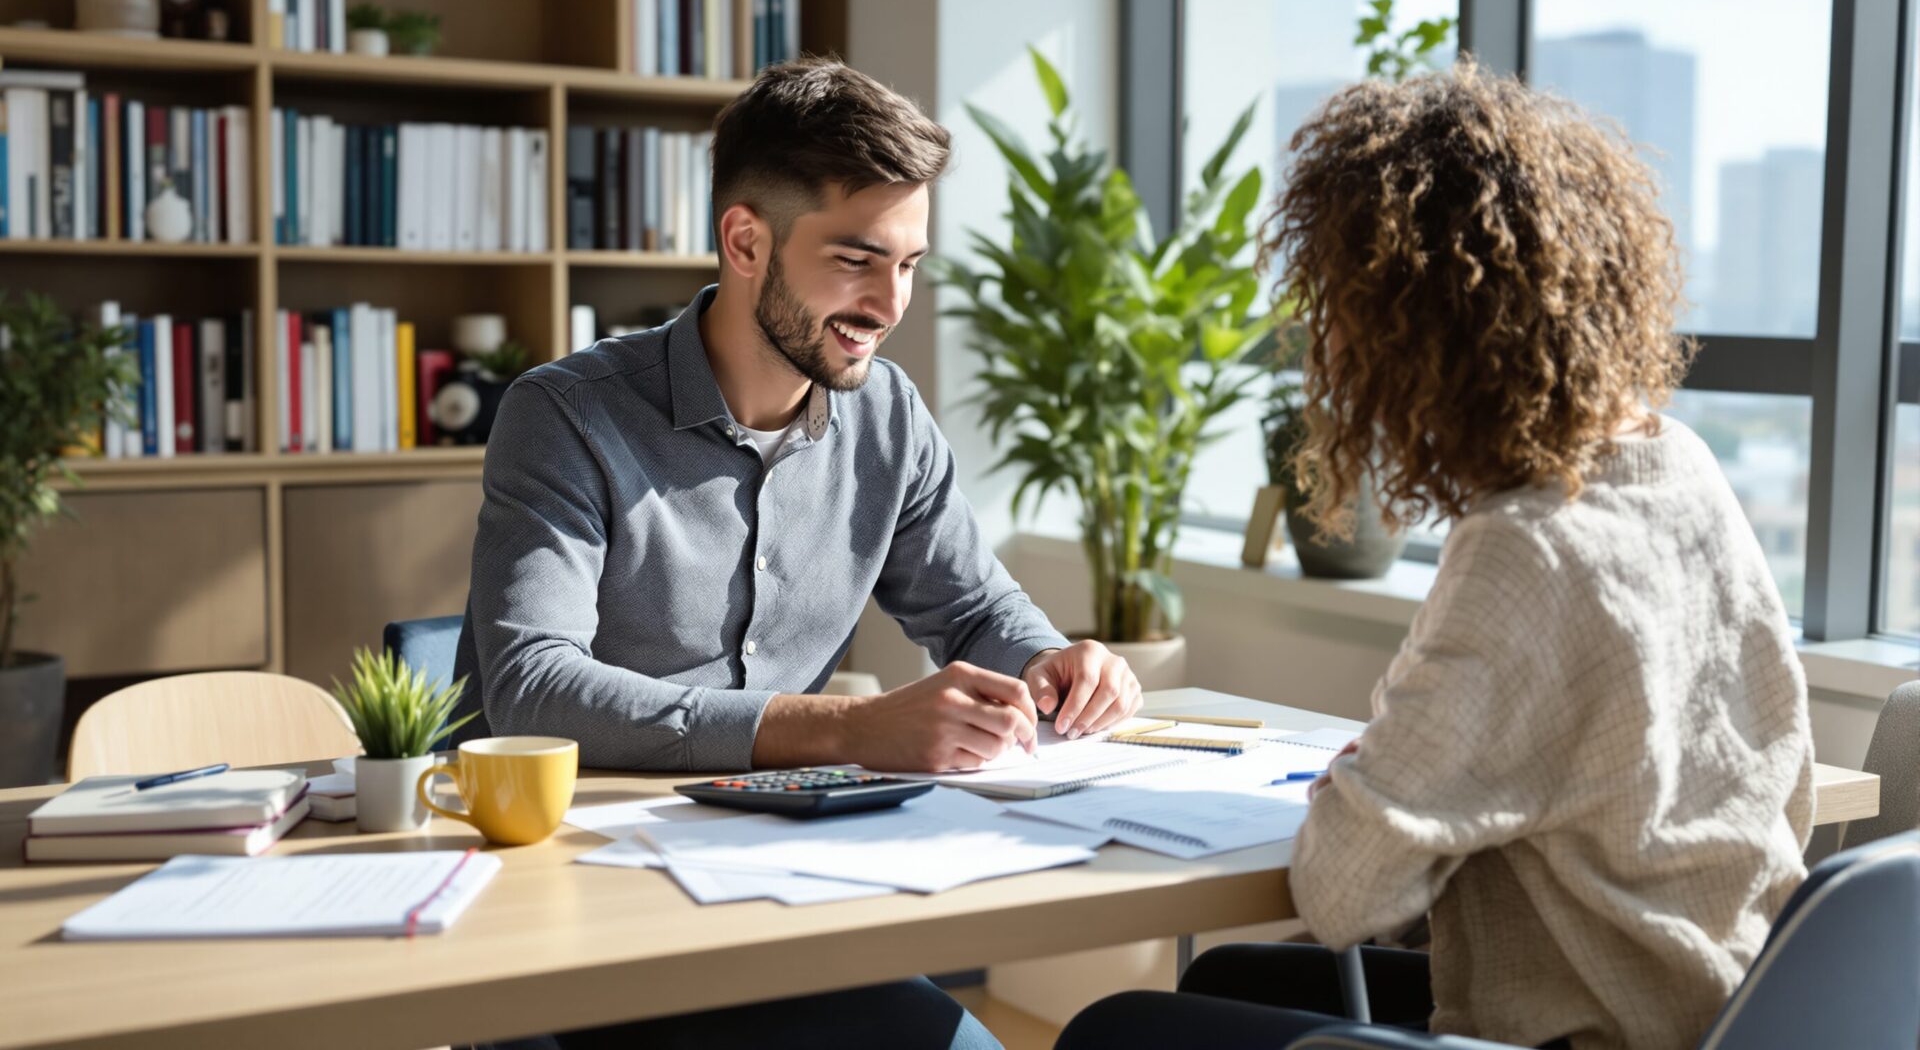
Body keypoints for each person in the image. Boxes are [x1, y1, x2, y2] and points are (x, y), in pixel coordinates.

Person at [1059, 60, 1813, 1050]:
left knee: (1120, 1031)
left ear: (1410, 339)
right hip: (1730, 1008)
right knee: (1231, 975)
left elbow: (1340, 895)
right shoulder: (1681, 465)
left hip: (1592, 1030)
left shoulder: (1526, 548)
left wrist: (1358, 784)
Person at [454, 57, 1144, 1049]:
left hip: (784, 900)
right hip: (582, 915)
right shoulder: (565, 415)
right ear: (746, 240)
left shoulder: (889, 418)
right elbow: (533, 690)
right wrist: (848, 727)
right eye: (857, 259)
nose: (890, 302)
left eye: (909, 263)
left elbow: (973, 609)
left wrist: (1048, 661)